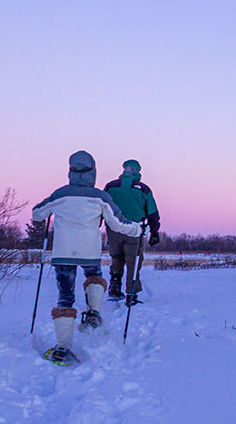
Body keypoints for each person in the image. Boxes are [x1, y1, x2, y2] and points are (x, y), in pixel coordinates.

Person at [32, 150, 141, 364]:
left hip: (63, 253)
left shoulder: (60, 194)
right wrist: (136, 230)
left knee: (65, 297)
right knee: (94, 277)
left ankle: (62, 348)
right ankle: (93, 314)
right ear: (93, 171)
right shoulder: (100, 197)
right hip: (89, 251)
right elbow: (117, 223)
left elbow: (37, 214)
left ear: (70, 170)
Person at [103, 158, 161, 305]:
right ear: (136, 171)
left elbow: (102, 206)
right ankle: (131, 293)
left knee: (117, 257)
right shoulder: (143, 189)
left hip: (114, 228)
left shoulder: (110, 186)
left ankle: (115, 286)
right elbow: (152, 213)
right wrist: (154, 232)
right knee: (133, 260)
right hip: (135, 230)